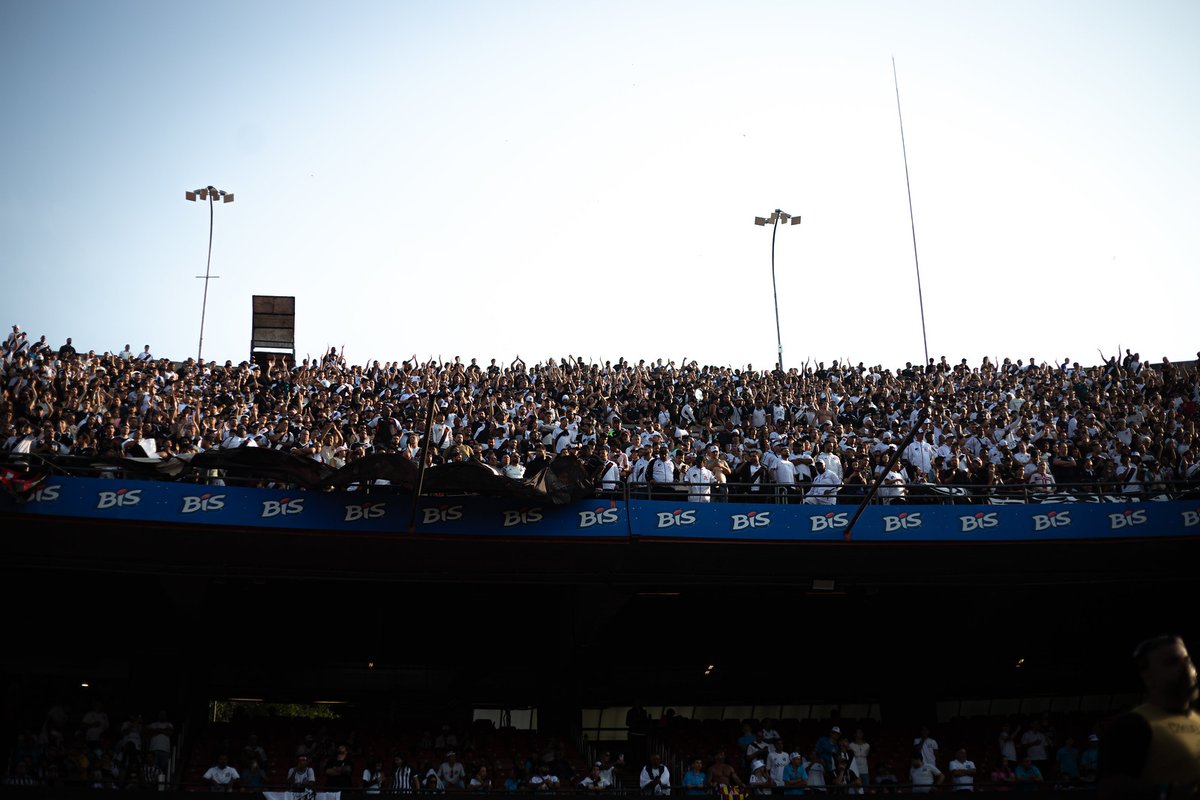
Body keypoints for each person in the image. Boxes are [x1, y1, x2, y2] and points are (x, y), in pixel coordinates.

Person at [1098, 634, 1200, 797]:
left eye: (1187, 660)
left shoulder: (1197, 719)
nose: (1186, 668)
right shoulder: (1133, 725)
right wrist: (1168, 793)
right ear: (1149, 677)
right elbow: (1111, 788)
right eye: (1172, 662)